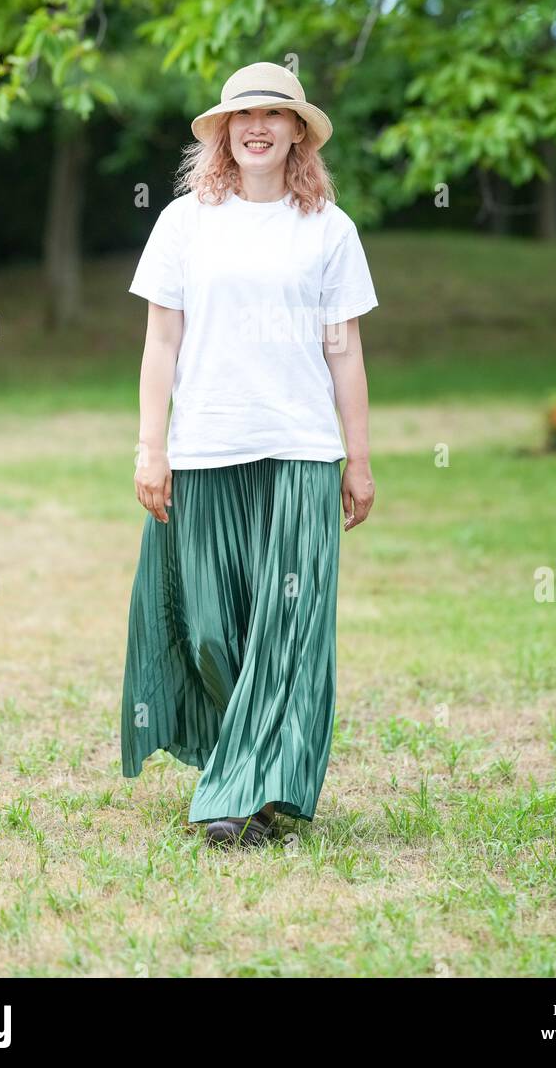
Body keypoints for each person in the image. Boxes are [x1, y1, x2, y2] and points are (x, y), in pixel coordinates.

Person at [119, 61, 378, 848]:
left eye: (275, 114)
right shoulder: (184, 222)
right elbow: (162, 342)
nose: (258, 127)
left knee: (288, 630)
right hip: (204, 450)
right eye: (243, 116)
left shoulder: (329, 228)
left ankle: (238, 798)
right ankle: (247, 764)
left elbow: (346, 352)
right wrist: (149, 447)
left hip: (300, 451)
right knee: (208, 631)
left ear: (299, 130)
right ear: (223, 132)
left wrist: (357, 459)